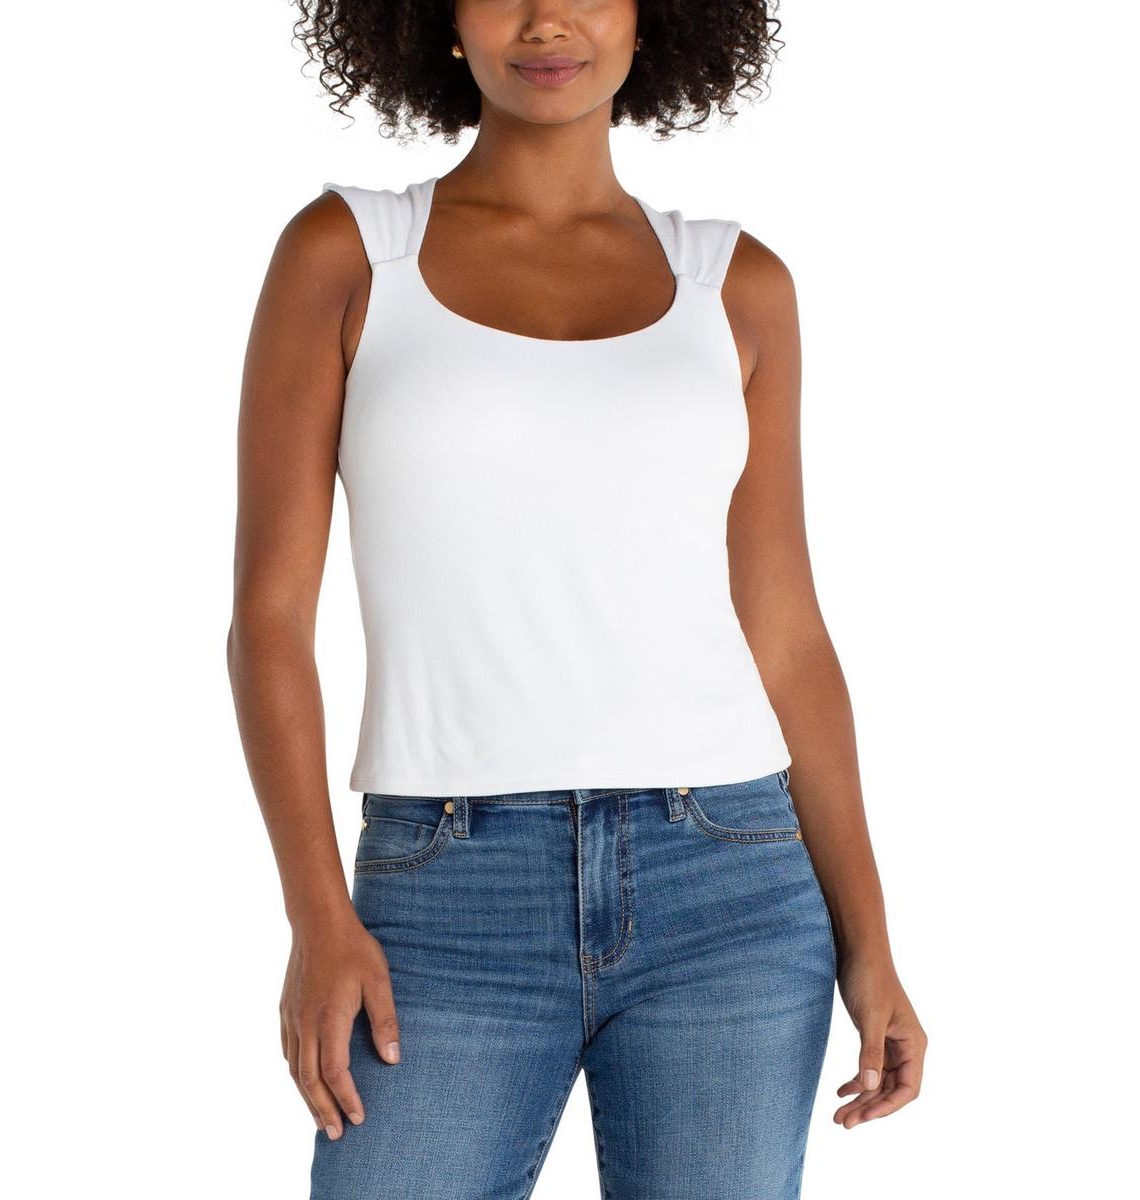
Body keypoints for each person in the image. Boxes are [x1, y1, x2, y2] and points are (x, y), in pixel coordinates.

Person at [227, 2, 927, 1196]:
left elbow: (787, 635)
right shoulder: (347, 256)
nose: (546, 19)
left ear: (656, 16)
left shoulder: (736, 284)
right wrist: (315, 914)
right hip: (442, 895)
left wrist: (872, 943)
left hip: (730, 885)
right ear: (439, 19)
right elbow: (271, 619)